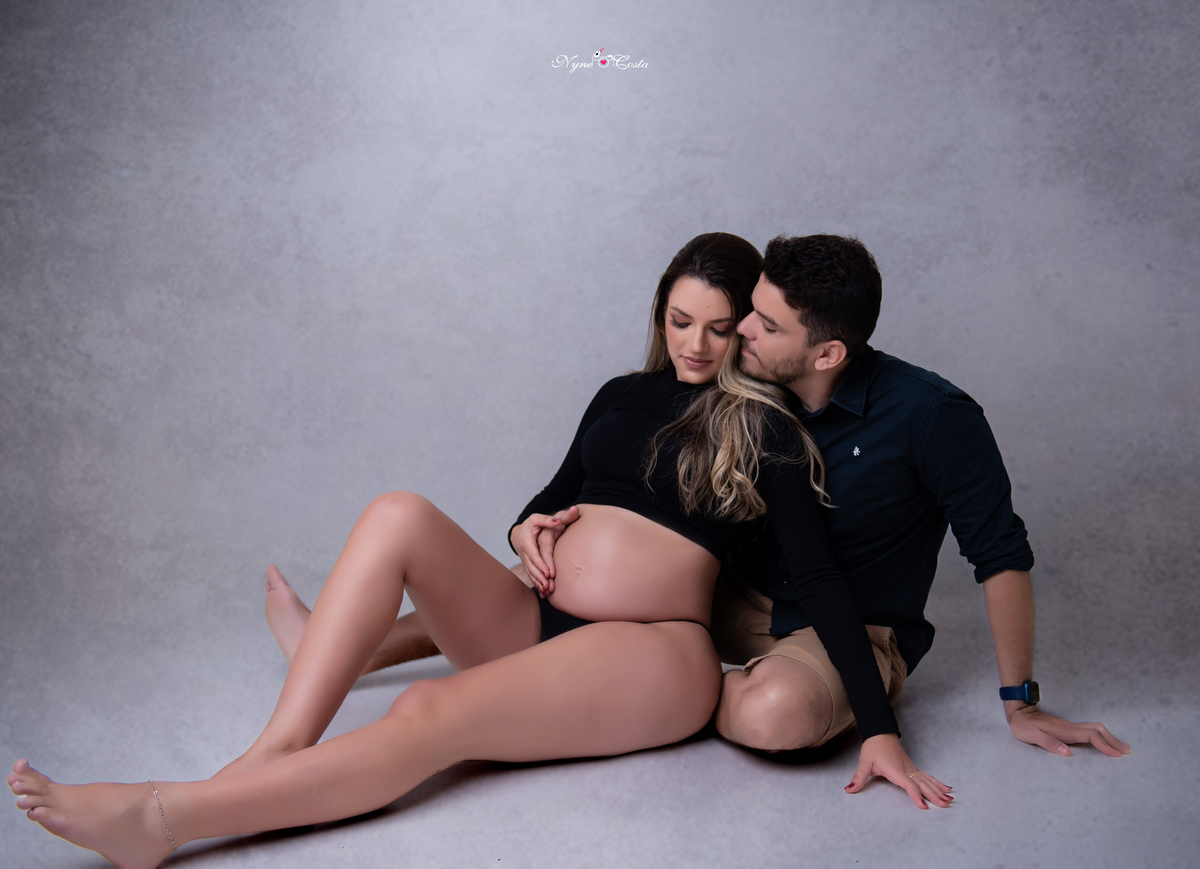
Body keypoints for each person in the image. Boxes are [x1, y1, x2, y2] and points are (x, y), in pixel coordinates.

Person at [8, 233, 948, 869]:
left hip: (651, 653)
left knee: (429, 711)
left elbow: (819, 578)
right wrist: (522, 528)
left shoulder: (764, 430)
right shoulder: (621, 394)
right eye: (679, 319)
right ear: (660, 312)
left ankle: (165, 817)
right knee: (398, 512)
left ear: (746, 324)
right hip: (537, 618)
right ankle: (269, 754)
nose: (695, 344)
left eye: (718, 324)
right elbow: (552, 495)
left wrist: (876, 727)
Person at [317, 233, 1130, 765]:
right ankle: (354, 644)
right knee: (553, 568)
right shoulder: (745, 390)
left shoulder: (932, 416)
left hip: (833, 619)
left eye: (758, 325)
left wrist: (1019, 702)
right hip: (726, 595)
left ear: (827, 352)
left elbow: (1000, 554)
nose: (738, 334)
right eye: (748, 314)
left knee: (774, 716)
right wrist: (540, 524)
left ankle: (662, 692)